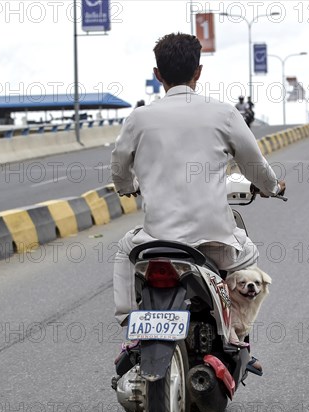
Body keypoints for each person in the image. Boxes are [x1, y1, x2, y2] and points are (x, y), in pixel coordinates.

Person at [110, 32, 285, 373]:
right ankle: (238, 335)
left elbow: (118, 166)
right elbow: (254, 165)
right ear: (198, 72)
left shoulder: (139, 118)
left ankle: (132, 325)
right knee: (248, 253)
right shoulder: (223, 113)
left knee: (122, 249)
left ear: (158, 74)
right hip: (215, 241)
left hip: (157, 242)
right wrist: (272, 187)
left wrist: (126, 186)